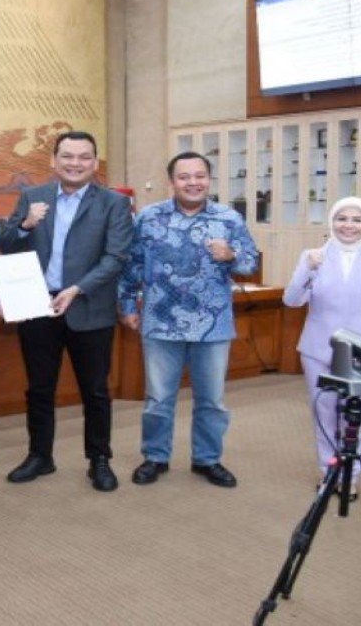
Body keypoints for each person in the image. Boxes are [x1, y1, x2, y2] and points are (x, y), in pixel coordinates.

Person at [0, 131, 133, 492]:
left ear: (94, 162)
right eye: (68, 156)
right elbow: (7, 245)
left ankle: (99, 460)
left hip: (89, 307)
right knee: (39, 388)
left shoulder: (113, 203)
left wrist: (78, 288)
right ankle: (40, 456)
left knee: (96, 391)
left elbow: (116, 257)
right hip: (37, 306)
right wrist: (26, 225)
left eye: (84, 157)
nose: (75, 163)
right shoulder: (32, 197)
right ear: (54, 161)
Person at [117, 152, 259, 489]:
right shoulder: (149, 218)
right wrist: (126, 305)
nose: (193, 182)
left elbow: (250, 263)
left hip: (213, 325)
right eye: (184, 177)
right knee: (158, 398)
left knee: (211, 400)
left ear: (209, 179)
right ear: (172, 182)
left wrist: (232, 255)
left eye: (199, 176)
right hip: (160, 323)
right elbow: (132, 264)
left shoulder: (229, 219)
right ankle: (155, 456)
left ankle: (207, 459)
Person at [282, 197, 361, 499]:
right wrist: (307, 269)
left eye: (357, 219)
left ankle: (351, 477)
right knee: (324, 413)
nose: (348, 225)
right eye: (341, 218)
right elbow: (292, 300)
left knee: (357, 415)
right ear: (332, 221)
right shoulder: (313, 255)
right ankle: (329, 472)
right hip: (319, 349)